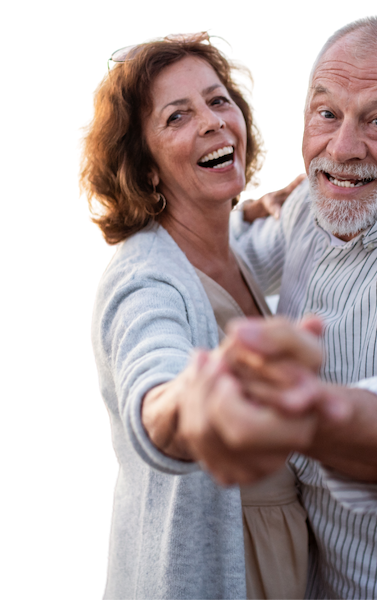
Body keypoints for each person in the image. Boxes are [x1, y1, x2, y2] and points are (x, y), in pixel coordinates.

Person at [148, 15, 377, 600]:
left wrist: (305, 414)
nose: (344, 148)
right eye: (327, 114)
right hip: (302, 579)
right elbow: (236, 258)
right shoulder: (311, 205)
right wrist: (226, 208)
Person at [80, 31, 313, 600]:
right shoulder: (144, 280)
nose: (211, 121)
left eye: (216, 100)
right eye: (177, 116)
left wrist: (319, 173)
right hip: (219, 571)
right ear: (147, 165)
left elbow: (278, 224)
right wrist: (187, 403)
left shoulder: (231, 248)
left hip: (283, 556)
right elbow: (152, 380)